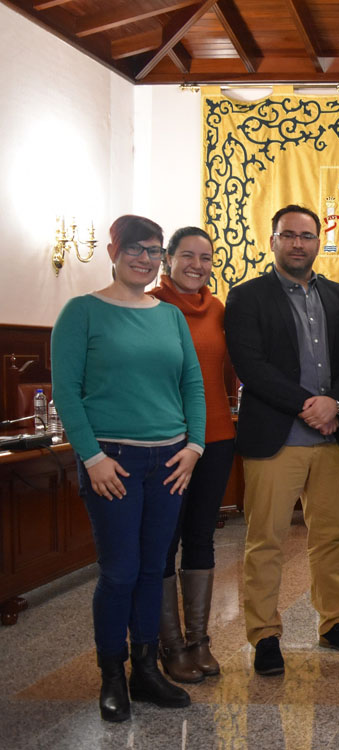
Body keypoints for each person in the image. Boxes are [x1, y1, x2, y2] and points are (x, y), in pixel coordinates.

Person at [51, 215, 205, 722]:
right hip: (111, 461)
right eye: (136, 248)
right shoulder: (82, 312)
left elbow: (192, 386)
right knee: (119, 572)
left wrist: (194, 446)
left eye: (154, 250)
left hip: (169, 462)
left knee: (150, 569)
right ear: (113, 250)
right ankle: (112, 675)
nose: (145, 258)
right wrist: (91, 457)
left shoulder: (169, 316)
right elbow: (67, 392)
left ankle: (146, 670)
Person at [224, 204, 339, 676]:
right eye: (288, 235)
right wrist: (311, 405)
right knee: (266, 539)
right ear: (272, 240)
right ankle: (265, 633)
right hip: (277, 437)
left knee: (330, 536)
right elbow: (252, 366)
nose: (298, 244)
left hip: (330, 440)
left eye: (307, 236)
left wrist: (337, 402)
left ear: (318, 241)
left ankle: (333, 623)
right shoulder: (247, 297)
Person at [149, 227, 236, 684]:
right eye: (188, 256)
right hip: (167, 441)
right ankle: (171, 645)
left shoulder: (218, 308)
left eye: (205, 258)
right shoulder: (149, 305)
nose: (197, 265)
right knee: (164, 540)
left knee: (201, 536)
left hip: (217, 437)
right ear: (168, 258)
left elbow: (228, 374)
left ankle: (199, 640)